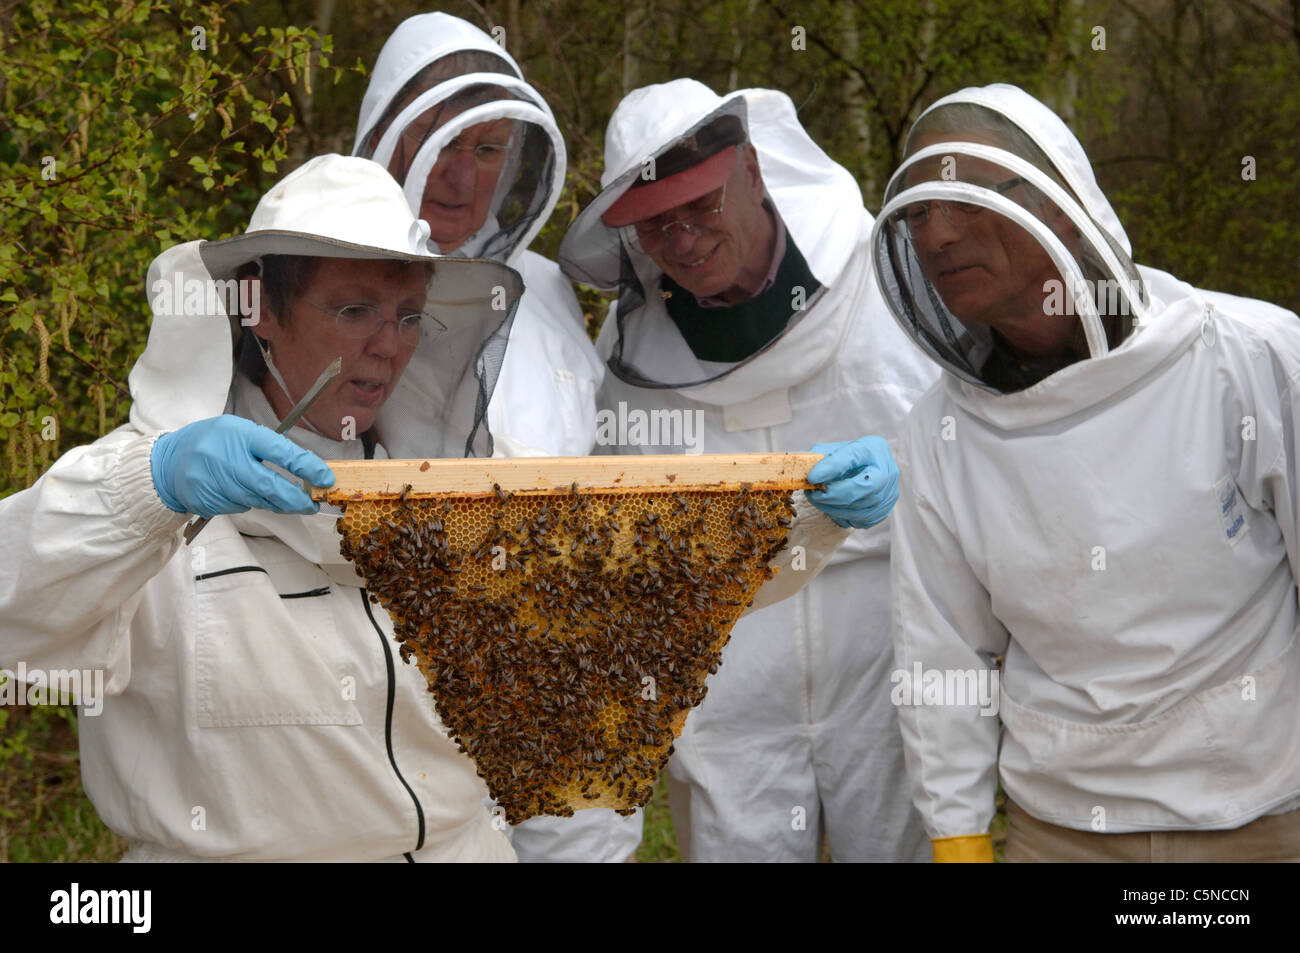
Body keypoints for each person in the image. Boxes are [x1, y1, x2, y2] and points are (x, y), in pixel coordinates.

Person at [0, 155, 527, 861]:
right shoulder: (159, 489)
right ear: (262, 311)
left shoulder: (464, 480)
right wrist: (147, 491)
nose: (389, 344)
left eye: (407, 316)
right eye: (354, 309)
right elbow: (13, 616)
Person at [875, 83, 1300, 862]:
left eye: (965, 200)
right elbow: (943, 650)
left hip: (1260, 814)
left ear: (1063, 203)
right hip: (1063, 827)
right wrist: (959, 836)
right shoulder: (937, 435)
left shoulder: (1251, 358)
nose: (936, 235)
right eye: (918, 213)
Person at [559, 79, 938, 862]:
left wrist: (904, 479)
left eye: (701, 206)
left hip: (885, 649)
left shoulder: (884, 285)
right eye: (658, 225)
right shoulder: (629, 362)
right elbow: (611, 534)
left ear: (755, 174)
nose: (685, 238)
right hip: (726, 667)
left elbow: (972, 445)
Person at [352, 12, 625, 862]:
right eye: (443, 139)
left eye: (489, 148)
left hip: (566, 685)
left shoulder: (541, 288)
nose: (463, 175)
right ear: (388, 137)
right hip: (398, 705)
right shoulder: (314, 281)